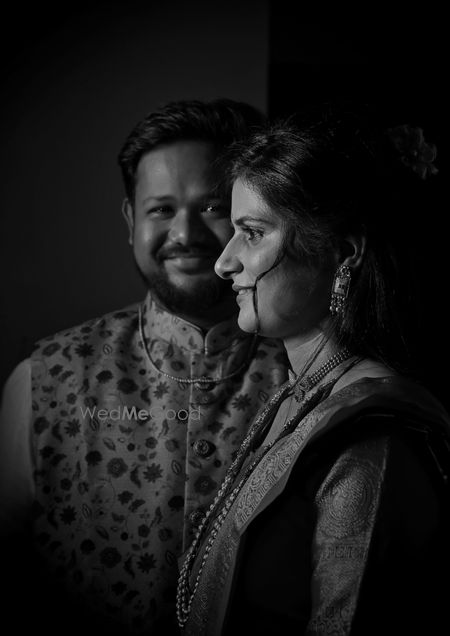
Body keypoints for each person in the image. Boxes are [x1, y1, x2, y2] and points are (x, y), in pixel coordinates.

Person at [0, 99, 289, 635]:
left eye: (212, 207)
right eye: (160, 209)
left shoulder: (313, 375)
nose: (184, 233)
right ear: (131, 219)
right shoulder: (42, 379)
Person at [176, 107, 450, 635]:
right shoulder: (300, 393)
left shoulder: (372, 437)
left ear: (342, 253)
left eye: (253, 233)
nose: (224, 262)